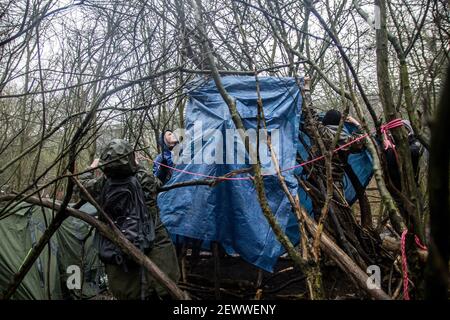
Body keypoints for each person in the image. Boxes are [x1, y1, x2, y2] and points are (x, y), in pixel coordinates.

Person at [79, 139, 180, 300]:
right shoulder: (145, 180)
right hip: (157, 261)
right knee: (163, 294)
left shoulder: (101, 186)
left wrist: (91, 168)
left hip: (121, 265)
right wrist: (138, 165)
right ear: (131, 161)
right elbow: (158, 182)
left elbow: (82, 186)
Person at [306, 109, 367, 193]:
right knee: (338, 205)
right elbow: (366, 139)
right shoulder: (346, 140)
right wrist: (356, 123)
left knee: (321, 205)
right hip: (335, 183)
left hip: (316, 179)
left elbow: (309, 118)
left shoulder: (321, 131)